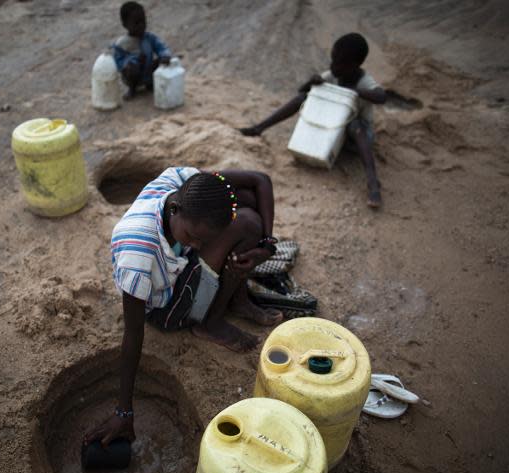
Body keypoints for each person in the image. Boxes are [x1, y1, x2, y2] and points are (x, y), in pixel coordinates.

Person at [85, 167, 283, 446]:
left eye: (204, 240)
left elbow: (261, 180)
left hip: (177, 267)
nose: (200, 245)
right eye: (193, 236)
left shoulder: (182, 181)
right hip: (166, 309)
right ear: (174, 208)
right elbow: (133, 333)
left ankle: (236, 297)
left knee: (248, 202)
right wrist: (123, 411)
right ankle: (209, 322)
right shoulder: (138, 250)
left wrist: (267, 245)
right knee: (248, 222)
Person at [240, 33, 387, 208]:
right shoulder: (333, 75)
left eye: (339, 63)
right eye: (333, 60)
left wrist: (356, 91)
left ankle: (373, 183)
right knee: (303, 97)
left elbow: (381, 96)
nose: (333, 66)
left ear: (355, 65)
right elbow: (301, 90)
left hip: (356, 136)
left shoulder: (364, 81)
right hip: (332, 129)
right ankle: (259, 128)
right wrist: (312, 82)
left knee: (355, 125)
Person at [112, 2, 173, 100]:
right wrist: (128, 64)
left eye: (143, 21)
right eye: (136, 23)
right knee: (132, 69)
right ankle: (132, 89)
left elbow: (161, 47)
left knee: (162, 62)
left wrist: (164, 55)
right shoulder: (122, 44)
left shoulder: (150, 38)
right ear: (125, 25)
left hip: (149, 70)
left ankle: (150, 84)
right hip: (132, 74)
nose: (141, 25)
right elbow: (117, 61)